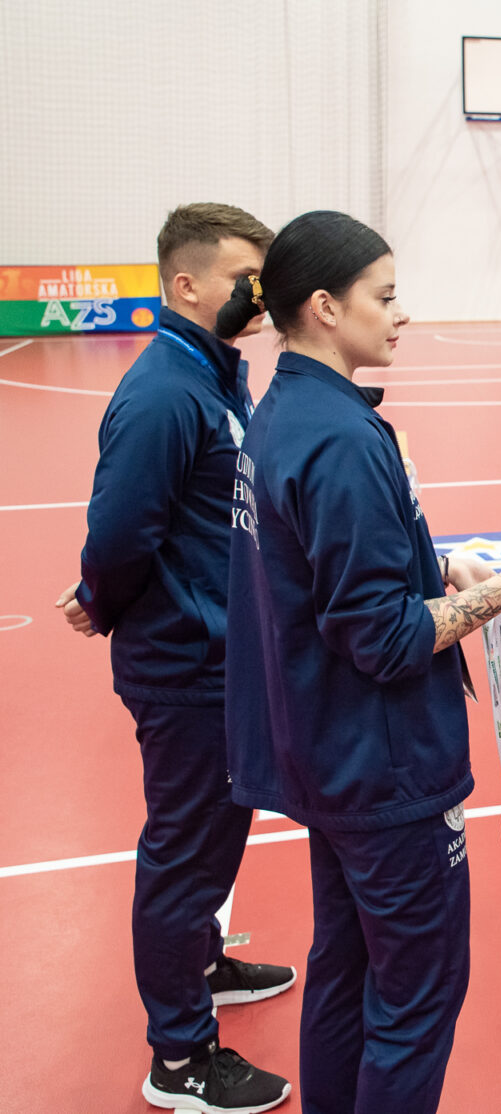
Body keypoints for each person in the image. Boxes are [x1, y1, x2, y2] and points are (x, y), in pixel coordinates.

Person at [219, 212, 501, 1114]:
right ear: (324, 306)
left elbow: (321, 574)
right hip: (383, 766)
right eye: (385, 296)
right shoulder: (343, 441)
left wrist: (440, 567)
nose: (402, 315)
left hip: (325, 753)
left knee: (346, 968)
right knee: (417, 995)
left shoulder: (283, 414)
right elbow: (383, 637)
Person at [53, 203, 296, 1114]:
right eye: (247, 276)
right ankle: (180, 1058)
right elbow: (119, 531)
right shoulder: (163, 392)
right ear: (187, 284)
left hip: (220, 654)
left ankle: (206, 965)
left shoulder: (213, 374)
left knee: (215, 839)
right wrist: (100, 601)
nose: (260, 292)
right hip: (184, 663)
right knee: (185, 853)